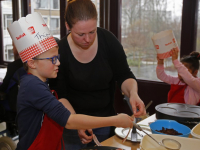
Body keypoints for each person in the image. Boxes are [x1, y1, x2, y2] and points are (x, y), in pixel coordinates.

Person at [7, 12, 134, 150]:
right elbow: (68, 120)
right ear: (32, 63)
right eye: (52, 59)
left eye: (58, 57)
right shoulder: (32, 86)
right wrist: (115, 119)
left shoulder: (39, 83)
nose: (58, 63)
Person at [49, 0, 146, 149]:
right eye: (80, 34)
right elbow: (60, 94)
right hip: (72, 121)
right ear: (68, 26)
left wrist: (133, 93)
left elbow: (124, 74)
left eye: (92, 32)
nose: (87, 39)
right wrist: (77, 123)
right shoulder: (60, 51)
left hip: (106, 120)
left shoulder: (108, 41)